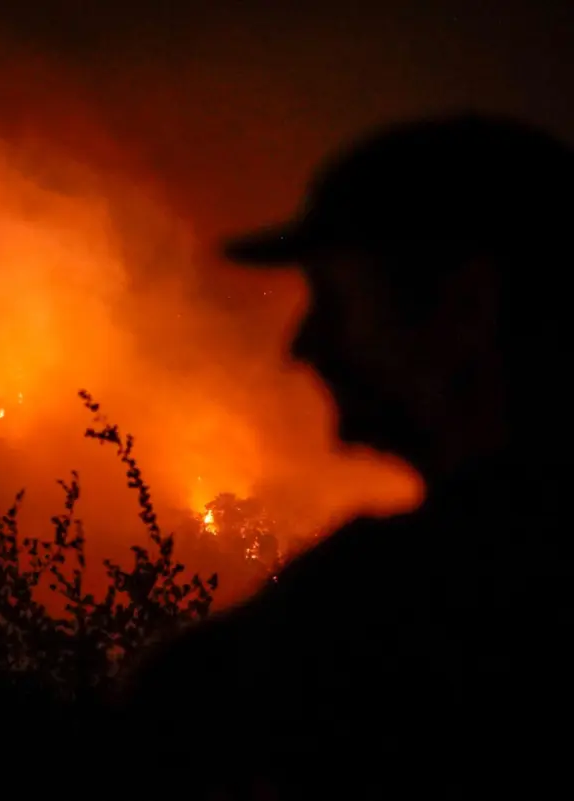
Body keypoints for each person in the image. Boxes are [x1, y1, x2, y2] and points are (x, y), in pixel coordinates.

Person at [116, 114, 574, 799]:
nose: (302, 345)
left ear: (468, 307)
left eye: (335, 299)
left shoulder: (395, 610)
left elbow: (163, 726)